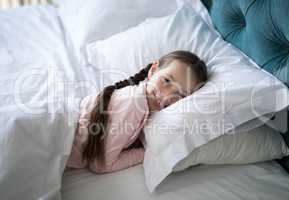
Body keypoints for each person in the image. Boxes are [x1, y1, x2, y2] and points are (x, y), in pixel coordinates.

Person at [66, 50, 208, 173]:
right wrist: (146, 152)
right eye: (167, 80)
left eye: (180, 95)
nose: (167, 96)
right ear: (153, 71)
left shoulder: (139, 102)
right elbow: (100, 164)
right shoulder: (134, 104)